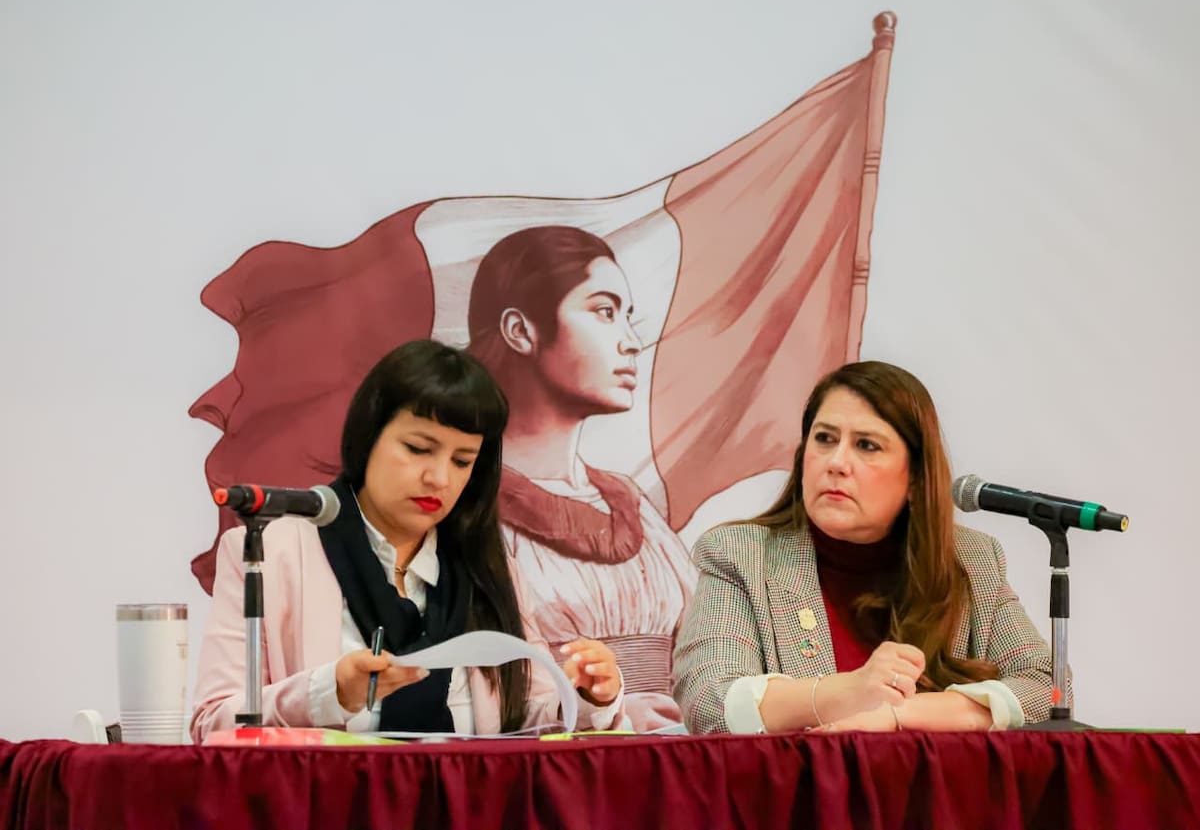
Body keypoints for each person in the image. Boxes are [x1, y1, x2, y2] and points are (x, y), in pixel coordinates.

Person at [191, 339, 626, 743]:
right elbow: (212, 723)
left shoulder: (485, 565)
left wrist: (590, 698)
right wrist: (329, 692)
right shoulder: (273, 552)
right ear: (369, 437)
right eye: (419, 449)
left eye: (461, 461)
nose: (439, 478)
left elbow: (525, 719)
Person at [672, 360, 1063, 734]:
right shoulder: (740, 555)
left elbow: (1049, 688)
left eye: (867, 445)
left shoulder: (973, 560)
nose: (837, 462)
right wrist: (844, 692)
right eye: (824, 439)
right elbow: (708, 700)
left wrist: (903, 714)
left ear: (914, 477)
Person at [466, 225, 698, 732]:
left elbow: (701, 645)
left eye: (628, 317)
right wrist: (605, 713)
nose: (632, 343)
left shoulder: (628, 502)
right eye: (604, 311)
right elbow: (478, 689)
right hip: (555, 774)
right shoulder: (470, 506)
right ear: (520, 331)